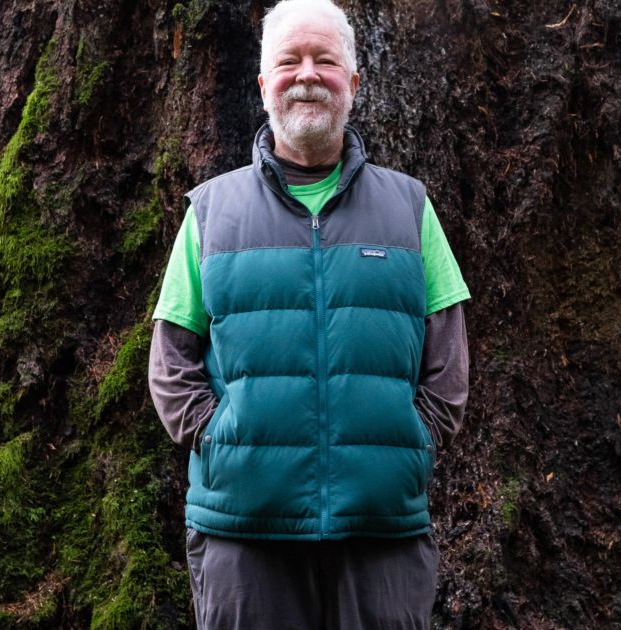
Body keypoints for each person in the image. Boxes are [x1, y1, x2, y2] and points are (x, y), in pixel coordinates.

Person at [146, 0, 471, 626]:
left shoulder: (409, 208)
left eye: (326, 60)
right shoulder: (211, 213)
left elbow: (449, 356)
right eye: (289, 60)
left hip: (382, 531)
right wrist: (220, 441)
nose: (307, 73)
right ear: (265, 83)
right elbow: (170, 362)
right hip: (243, 532)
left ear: (352, 82)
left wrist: (415, 440)